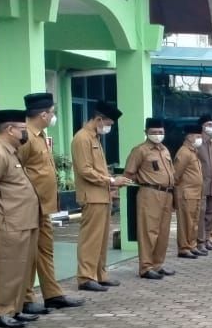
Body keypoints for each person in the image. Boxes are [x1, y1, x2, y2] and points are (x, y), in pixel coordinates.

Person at [18, 92, 82, 314]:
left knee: (45, 251)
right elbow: (16, 170)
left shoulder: (40, 135)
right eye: (53, 113)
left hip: (45, 206)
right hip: (29, 205)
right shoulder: (25, 136)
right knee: (28, 254)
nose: (54, 117)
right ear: (43, 114)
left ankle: (52, 294)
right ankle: (25, 298)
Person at [0, 109, 41, 328]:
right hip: (8, 221)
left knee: (20, 269)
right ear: (10, 130)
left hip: (22, 220)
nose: (25, 133)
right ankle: (0, 312)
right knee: (6, 269)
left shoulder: (10, 151)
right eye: (22, 129)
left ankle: (14, 309)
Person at [73, 100, 128, 292]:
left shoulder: (94, 137)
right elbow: (85, 170)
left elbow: (98, 170)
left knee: (101, 239)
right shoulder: (82, 138)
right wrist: (111, 181)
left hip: (102, 196)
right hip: (91, 196)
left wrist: (111, 183)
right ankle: (86, 277)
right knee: (91, 239)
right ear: (98, 119)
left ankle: (99, 274)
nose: (109, 128)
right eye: (109, 124)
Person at [123, 118, 176, 280]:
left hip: (167, 194)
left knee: (163, 232)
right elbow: (129, 173)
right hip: (149, 192)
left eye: (160, 132)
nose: (158, 135)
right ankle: (145, 267)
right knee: (149, 231)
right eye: (154, 132)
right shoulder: (140, 151)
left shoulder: (164, 150)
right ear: (146, 132)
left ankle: (157, 264)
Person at [173, 124, 205, 260]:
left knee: (193, 221)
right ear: (189, 137)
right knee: (186, 222)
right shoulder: (184, 152)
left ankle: (192, 245)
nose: (200, 139)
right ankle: (184, 248)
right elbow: (176, 175)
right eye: (198, 136)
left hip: (195, 193)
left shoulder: (193, 151)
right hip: (186, 193)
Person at [196, 115, 212, 251]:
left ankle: (207, 239)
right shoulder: (198, 143)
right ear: (202, 126)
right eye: (208, 124)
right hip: (201, 184)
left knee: (210, 213)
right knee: (201, 214)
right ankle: (199, 242)